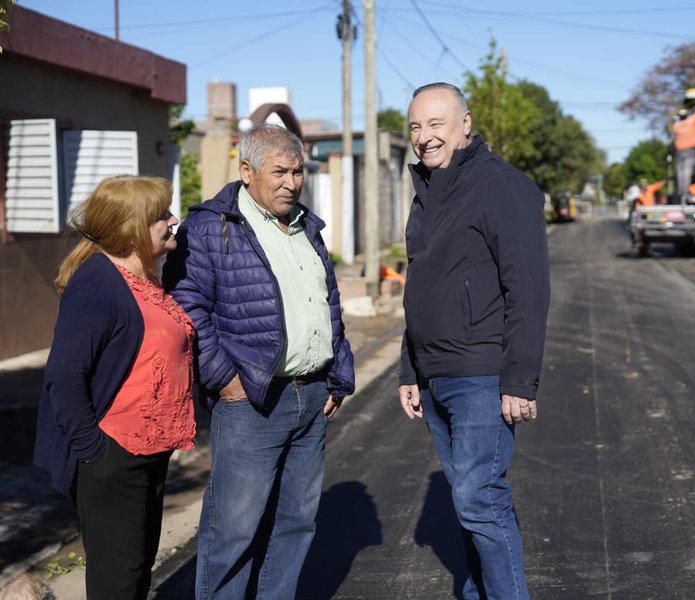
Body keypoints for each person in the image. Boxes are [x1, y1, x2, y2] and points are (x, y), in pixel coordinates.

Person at [162, 124, 355, 600]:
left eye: (297, 171)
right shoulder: (210, 227)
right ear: (246, 171)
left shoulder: (307, 225)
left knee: (296, 523)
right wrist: (222, 376)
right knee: (233, 530)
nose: (292, 182)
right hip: (251, 402)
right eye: (280, 172)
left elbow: (327, 303)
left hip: (311, 398)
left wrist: (337, 376)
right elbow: (187, 306)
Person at [398, 82, 550, 600]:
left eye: (436, 123)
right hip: (436, 374)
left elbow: (528, 288)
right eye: (416, 126)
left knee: (479, 500)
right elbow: (420, 284)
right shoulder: (426, 190)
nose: (425, 136)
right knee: (469, 507)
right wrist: (408, 369)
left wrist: (520, 380)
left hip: (482, 374)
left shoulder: (502, 186)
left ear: (465, 124)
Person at [33, 175, 195, 600]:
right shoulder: (98, 284)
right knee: (116, 582)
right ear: (131, 228)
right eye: (161, 216)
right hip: (114, 456)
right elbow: (64, 376)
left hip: (150, 451)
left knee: (137, 571)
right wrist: (96, 450)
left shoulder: (145, 279)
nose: (172, 220)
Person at [673, 93, 695, 199]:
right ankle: (685, 194)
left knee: (680, 174)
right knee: (687, 172)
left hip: (679, 152)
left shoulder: (677, 126)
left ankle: (681, 193)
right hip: (689, 152)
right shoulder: (691, 121)